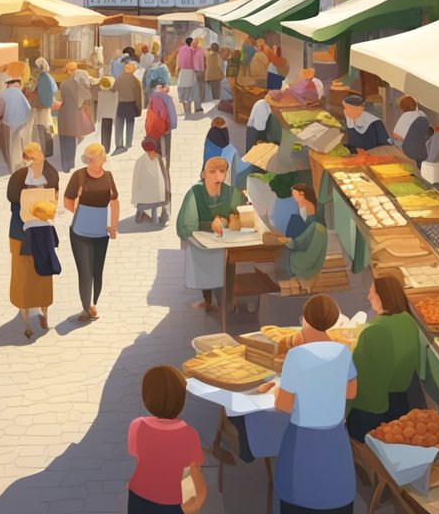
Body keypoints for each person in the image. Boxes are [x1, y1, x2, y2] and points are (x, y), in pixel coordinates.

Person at [259, 294, 357, 514]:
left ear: (304, 319)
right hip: (335, 440)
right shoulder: (343, 352)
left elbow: (284, 405)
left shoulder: (296, 356)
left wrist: (279, 388)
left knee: (300, 495)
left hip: (303, 441)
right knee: (335, 492)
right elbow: (351, 392)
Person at [347, 276, 423, 442]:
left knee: (368, 451)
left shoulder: (372, 331)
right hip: (401, 400)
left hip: (370, 409)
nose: (369, 297)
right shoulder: (409, 321)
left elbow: (355, 372)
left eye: (372, 293)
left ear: (382, 297)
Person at [127, 366, 206, 514]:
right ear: (181, 398)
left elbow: (136, 455)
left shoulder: (136, 425)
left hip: (139, 494)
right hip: (173, 500)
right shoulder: (190, 434)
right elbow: (194, 468)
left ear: (147, 398)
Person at [176, 157, 243, 311]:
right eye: (212, 172)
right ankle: (207, 301)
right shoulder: (194, 193)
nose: (217, 176)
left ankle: (227, 302)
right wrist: (209, 226)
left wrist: (231, 219)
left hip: (225, 243)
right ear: (203, 174)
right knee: (205, 273)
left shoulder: (232, 192)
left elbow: (236, 213)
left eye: (222, 171)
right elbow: (187, 225)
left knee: (227, 271)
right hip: (203, 243)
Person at [6, 141, 60, 336]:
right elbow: (12, 201)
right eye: (30, 157)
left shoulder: (51, 174)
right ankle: (25, 315)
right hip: (20, 231)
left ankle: (44, 310)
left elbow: (55, 198)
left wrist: (44, 210)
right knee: (23, 272)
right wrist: (29, 207)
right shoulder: (19, 177)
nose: (33, 161)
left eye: (36, 156)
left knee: (43, 272)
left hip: (43, 230)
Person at [63, 144, 119, 322]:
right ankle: (86, 307)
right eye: (91, 158)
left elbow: (115, 202)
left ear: (103, 158)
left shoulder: (108, 177)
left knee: (97, 271)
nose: (95, 162)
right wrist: (83, 215)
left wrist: (113, 226)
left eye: (98, 158)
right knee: (85, 272)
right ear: (87, 159)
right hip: (80, 233)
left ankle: (93, 302)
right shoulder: (79, 176)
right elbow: (67, 201)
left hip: (101, 234)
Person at [273, 183, 328, 282]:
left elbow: (310, 227)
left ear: (302, 194)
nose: (293, 197)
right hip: (303, 236)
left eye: (295, 194)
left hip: (308, 237)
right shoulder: (300, 206)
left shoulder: (311, 209)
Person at [0, 77, 33, 173]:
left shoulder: (3, 94)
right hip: (23, 123)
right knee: (19, 147)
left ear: (7, 84)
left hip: (10, 124)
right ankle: (21, 166)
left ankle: (12, 169)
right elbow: (28, 108)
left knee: (9, 148)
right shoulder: (19, 93)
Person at [56, 63, 92, 172]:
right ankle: (70, 164)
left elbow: (60, 100)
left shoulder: (63, 84)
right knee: (71, 139)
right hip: (74, 114)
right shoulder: (78, 84)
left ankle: (64, 165)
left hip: (63, 113)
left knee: (63, 139)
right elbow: (87, 96)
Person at [132, 139, 168, 225]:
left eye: (153, 151)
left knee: (156, 208)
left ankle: (159, 216)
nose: (152, 153)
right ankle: (140, 213)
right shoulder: (140, 161)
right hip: (144, 193)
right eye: (150, 151)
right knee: (142, 208)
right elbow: (137, 180)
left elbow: (163, 176)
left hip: (156, 193)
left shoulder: (159, 159)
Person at [114, 63, 144, 154]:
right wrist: (139, 109)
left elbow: (113, 89)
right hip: (131, 105)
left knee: (119, 124)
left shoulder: (119, 78)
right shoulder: (135, 80)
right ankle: (128, 144)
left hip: (121, 104)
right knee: (130, 124)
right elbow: (138, 96)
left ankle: (119, 144)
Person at [32, 57, 59, 151]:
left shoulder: (43, 78)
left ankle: (46, 149)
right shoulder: (48, 77)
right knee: (49, 125)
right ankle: (50, 146)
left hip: (43, 108)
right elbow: (54, 90)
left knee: (44, 127)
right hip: (47, 107)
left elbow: (41, 94)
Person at [176, 38, 198, 116]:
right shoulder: (193, 50)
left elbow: (178, 60)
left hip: (182, 72)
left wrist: (177, 69)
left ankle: (185, 109)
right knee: (190, 90)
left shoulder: (181, 49)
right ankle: (189, 110)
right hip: (191, 72)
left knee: (182, 90)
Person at [97, 75, 119, 154]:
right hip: (111, 114)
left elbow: (100, 106)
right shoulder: (115, 93)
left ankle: (104, 148)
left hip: (103, 114)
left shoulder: (100, 93)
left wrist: (98, 117)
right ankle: (107, 148)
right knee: (109, 131)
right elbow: (116, 105)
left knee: (104, 132)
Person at [204, 43, 225, 108]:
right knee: (216, 94)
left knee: (208, 93)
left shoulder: (207, 55)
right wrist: (223, 74)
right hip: (217, 76)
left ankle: (207, 105)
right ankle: (216, 106)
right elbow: (221, 66)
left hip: (208, 76)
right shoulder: (218, 57)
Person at [192, 38, 207, 112]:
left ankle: (196, 105)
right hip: (199, 71)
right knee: (200, 89)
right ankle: (198, 106)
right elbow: (204, 61)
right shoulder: (201, 50)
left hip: (193, 71)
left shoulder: (190, 51)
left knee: (195, 89)